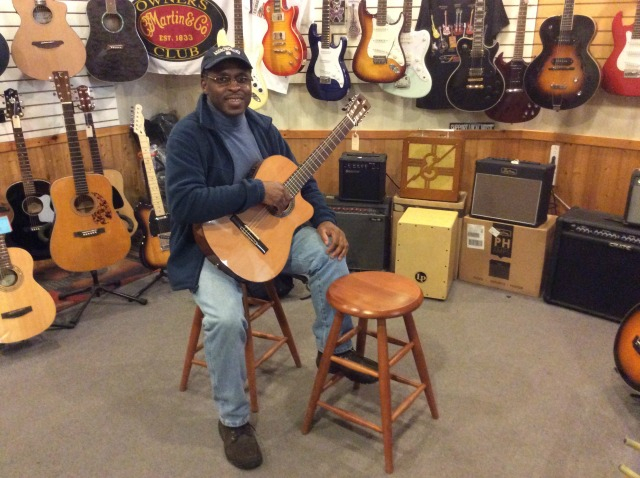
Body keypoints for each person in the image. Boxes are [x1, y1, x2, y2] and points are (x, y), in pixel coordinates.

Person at [164, 45, 378, 470]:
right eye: (222, 78)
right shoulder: (187, 135)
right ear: (204, 83)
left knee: (330, 256)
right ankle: (234, 420)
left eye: (240, 78)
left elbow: (301, 180)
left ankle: (334, 350)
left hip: (271, 236)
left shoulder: (263, 127)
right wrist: (257, 192)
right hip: (212, 248)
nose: (233, 87)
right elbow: (185, 203)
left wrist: (325, 219)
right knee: (225, 320)